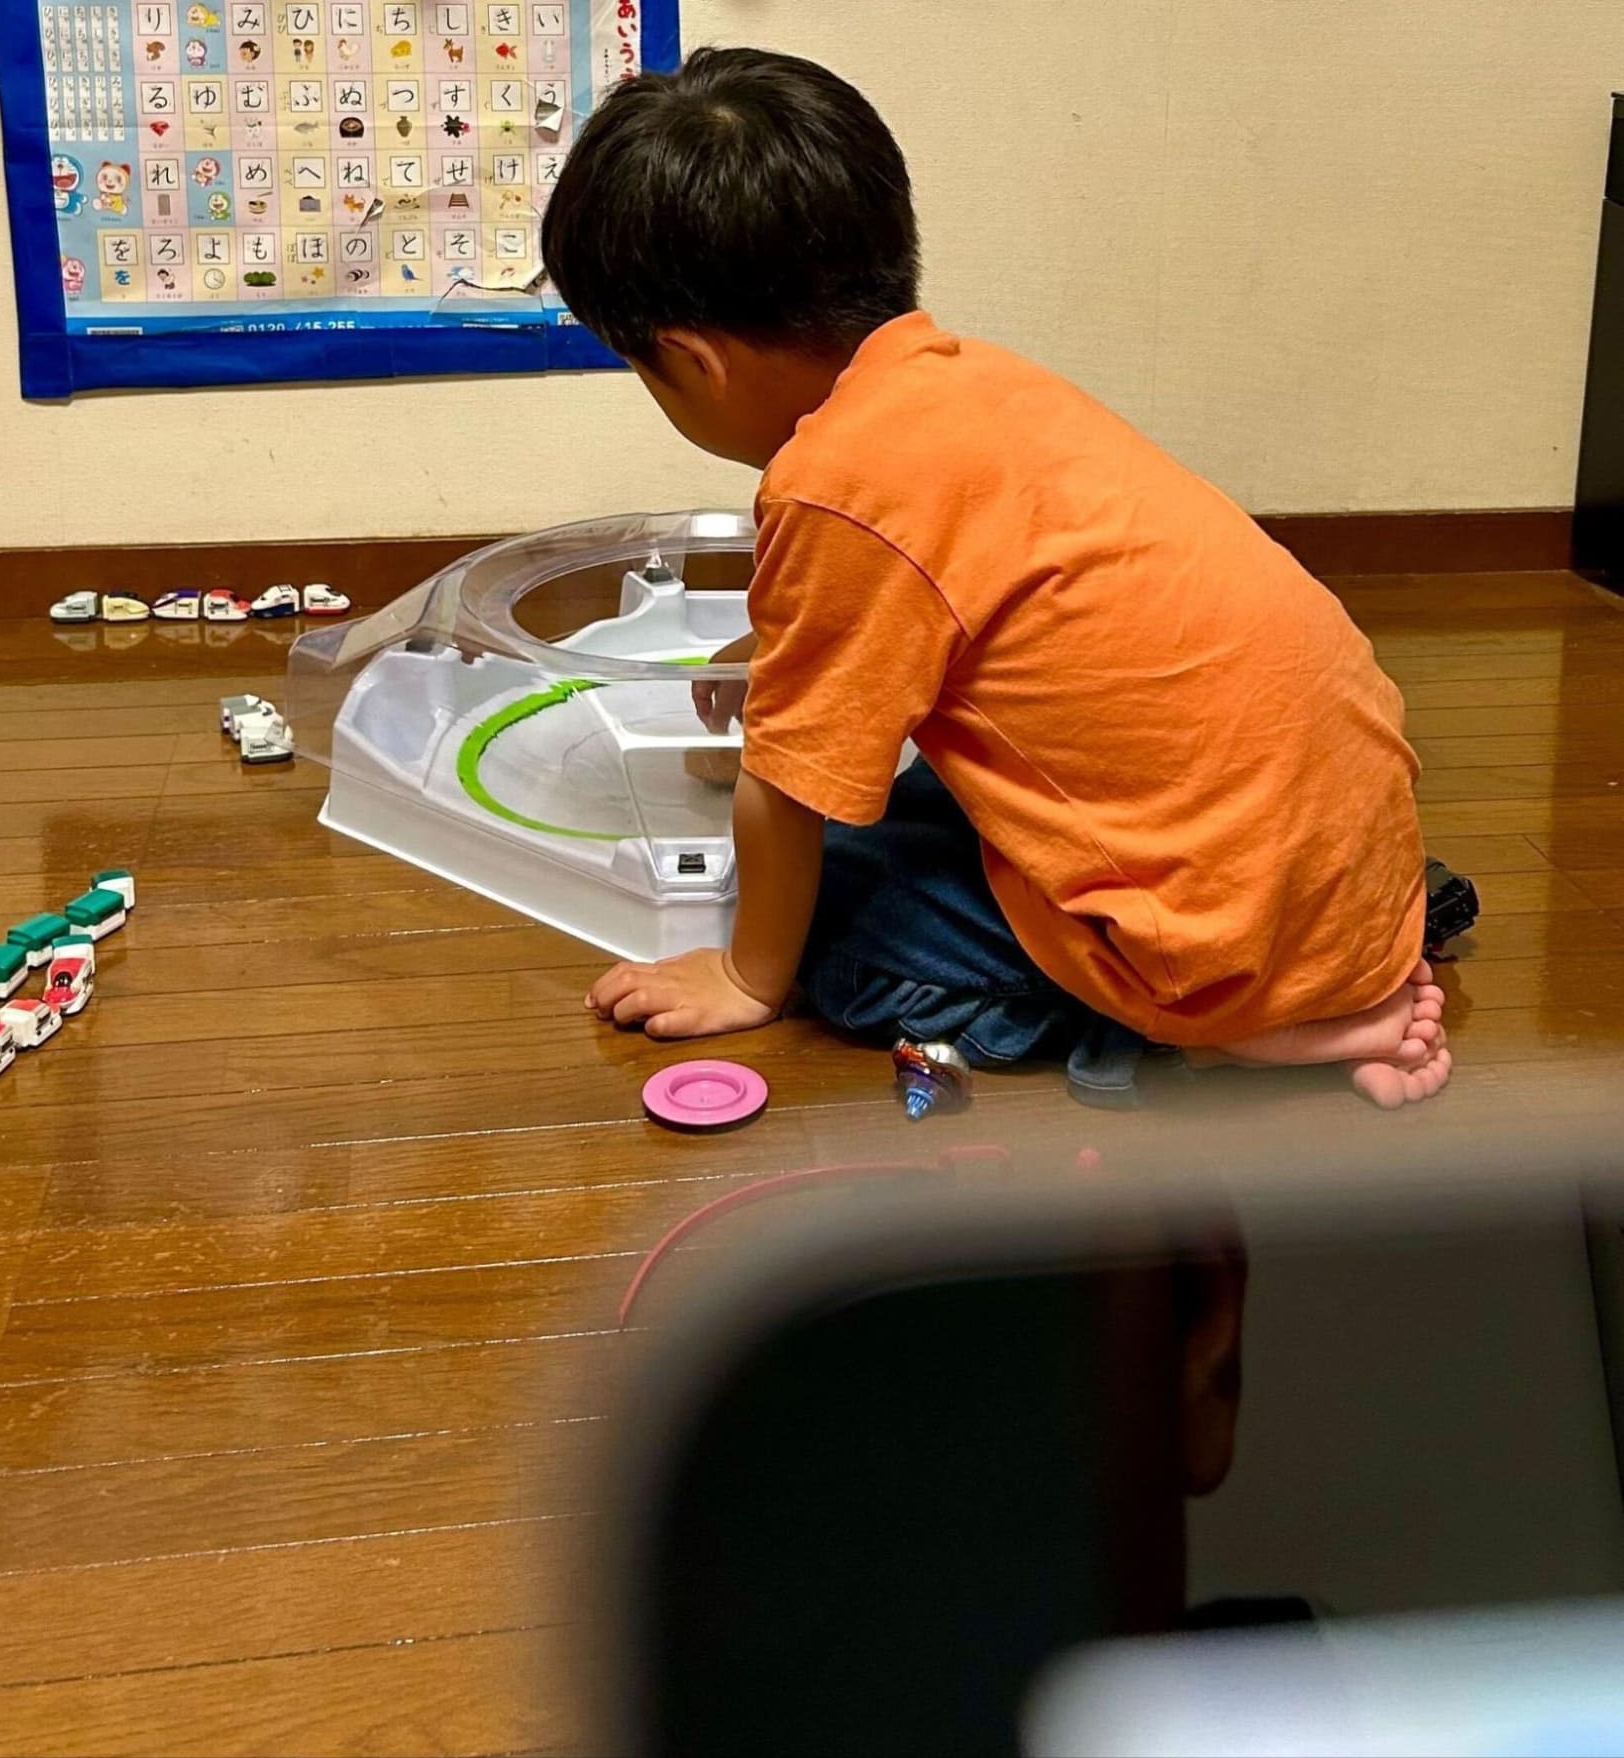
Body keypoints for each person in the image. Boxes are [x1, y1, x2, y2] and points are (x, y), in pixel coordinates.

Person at [541, 47, 1449, 1108]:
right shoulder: (973, 385)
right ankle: (1307, 979)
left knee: (828, 917)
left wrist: (748, 977)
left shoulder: (833, 486)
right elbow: (952, 598)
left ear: (696, 362)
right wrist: (774, 654)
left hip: (1222, 939)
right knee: (925, 793)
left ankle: (1231, 1031)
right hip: (1344, 860)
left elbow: (786, 789)